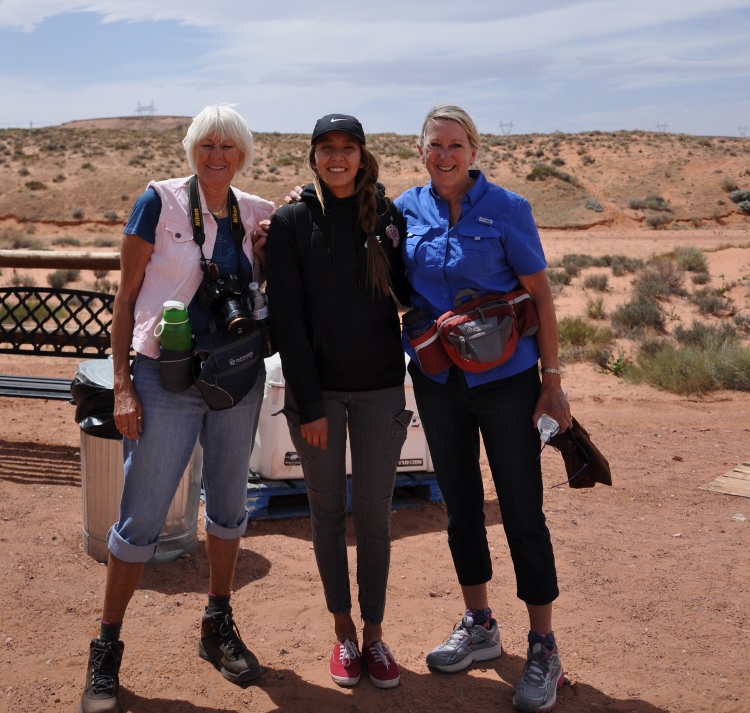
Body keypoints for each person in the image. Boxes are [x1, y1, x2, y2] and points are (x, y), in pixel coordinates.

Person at [78, 105, 274, 713]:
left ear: (242, 153)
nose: (216, 156)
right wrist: (123, 387)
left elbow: (291, 269)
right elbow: (126, 296)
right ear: (192, 148)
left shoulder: (258, 213)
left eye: (228, 147)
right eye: (206, 145)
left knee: (229, 507)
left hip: (235, 380)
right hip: (163, 379)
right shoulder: (157, 203)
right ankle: (106, 648)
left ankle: (217, 624)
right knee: (141, 515)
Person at [394, 105, 571, 713]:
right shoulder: (404, 210)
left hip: (510, 380)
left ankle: (543, 645)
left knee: (522, 509)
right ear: (421, 152)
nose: (445, 155)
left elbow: (542, 298)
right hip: (440, 382)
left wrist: (552, 381)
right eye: (434, 145)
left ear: (473, 149)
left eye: (456, 144)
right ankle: (480, 624)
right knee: (461, 506)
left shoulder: (508, 209)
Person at [265, 114, 412, 690]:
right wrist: (308, 406)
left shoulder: (388, 215)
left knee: (375, 516)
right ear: (313, 156)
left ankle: (375, 637)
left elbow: (404, 290)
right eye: (327, 149)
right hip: (319, 394)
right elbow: (289, 321)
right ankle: (344, 633)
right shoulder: (292, 221)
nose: (337, 158)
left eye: (347, 148)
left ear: (361, 154)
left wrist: (389, 241)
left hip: (380, 388)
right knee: (327, 515)